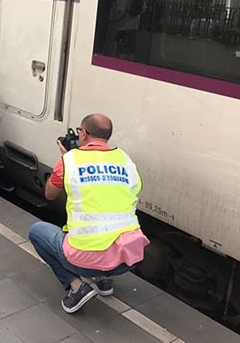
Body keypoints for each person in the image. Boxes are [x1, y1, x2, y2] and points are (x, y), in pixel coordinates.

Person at [28, 114, 149, 313]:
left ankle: (77, 287)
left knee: (38, 231)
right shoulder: (126, 161)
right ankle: (104, 283)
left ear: (83, 134)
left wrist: (64, 159)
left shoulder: (69, 161)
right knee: (109, 228)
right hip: (125, 260)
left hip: (83, 260)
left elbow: (49, 194)